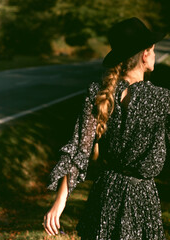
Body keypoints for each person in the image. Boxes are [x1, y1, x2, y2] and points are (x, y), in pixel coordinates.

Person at [43, 17, 169, 240]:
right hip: (142, 201)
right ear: (144, 54)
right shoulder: (161, 100)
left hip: (105, 195)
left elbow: (79, 151)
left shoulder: (100, 94)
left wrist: (59, 203)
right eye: (152, 49)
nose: (155, 54)